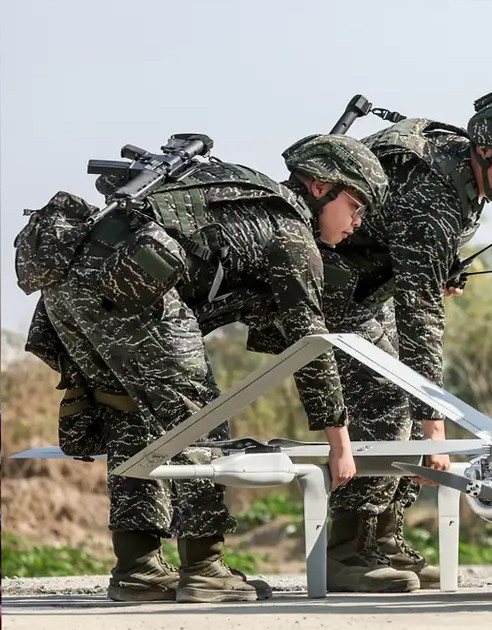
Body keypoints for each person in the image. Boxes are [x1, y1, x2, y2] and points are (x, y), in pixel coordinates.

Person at [15, 133, 388, 603]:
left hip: (70, 283)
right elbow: (310, 346)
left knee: (128, 415)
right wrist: (340, 443)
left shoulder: (245, 203)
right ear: (319, 188)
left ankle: (138, 568)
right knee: (200, 423)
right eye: (354, 205)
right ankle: (206, 568)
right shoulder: (292, 234)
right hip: (131, 283)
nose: (356, 222)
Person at [317, 90, 492, 592]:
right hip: (328, 289)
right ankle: (346, 550)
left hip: (365, 290)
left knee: (398, 401)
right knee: (390, 395)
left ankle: (383, 538)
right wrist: (436, 425)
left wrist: (437, 268)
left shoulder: (462, 173)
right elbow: (420, 313)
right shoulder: (433, 192)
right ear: (487, 151)